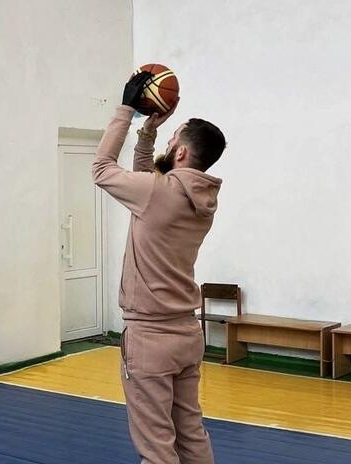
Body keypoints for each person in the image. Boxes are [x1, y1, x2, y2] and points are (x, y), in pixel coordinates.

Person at [91, 71, 227, 464]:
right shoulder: (199, 199)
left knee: (157, 449)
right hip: (187, 334)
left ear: (181, 153)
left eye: (173, 138)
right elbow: (147, 178)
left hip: (150, 338)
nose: (169, 141)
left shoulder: (155, 192)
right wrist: (148, 134)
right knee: (190, 434)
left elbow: (101, 168)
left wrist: (126, 110)